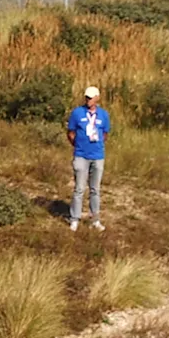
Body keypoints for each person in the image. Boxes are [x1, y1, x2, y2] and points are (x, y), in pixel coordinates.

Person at [65, 85, 110, 231]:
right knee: (79, 188)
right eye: (86, 97)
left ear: (97, 98)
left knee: (95, 189)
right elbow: (70, 132)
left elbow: (105, 134)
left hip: (97, 156)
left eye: (91, 98)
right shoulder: (77, 113)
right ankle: (75, 219)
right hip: (81, 155)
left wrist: (98, 145)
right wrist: (77, 144)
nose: (88, 100)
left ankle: (95, 219)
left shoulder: (103, 115)